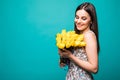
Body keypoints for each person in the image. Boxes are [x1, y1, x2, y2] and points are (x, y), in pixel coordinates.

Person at [58, 2, 100, 80]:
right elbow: (76, 62)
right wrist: (64, 57)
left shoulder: (89, 36)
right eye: (77, 17)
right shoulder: (77, 35)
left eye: (83, 18)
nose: (78, 21)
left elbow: (94, 68)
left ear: (91, 21)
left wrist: (70, 56)